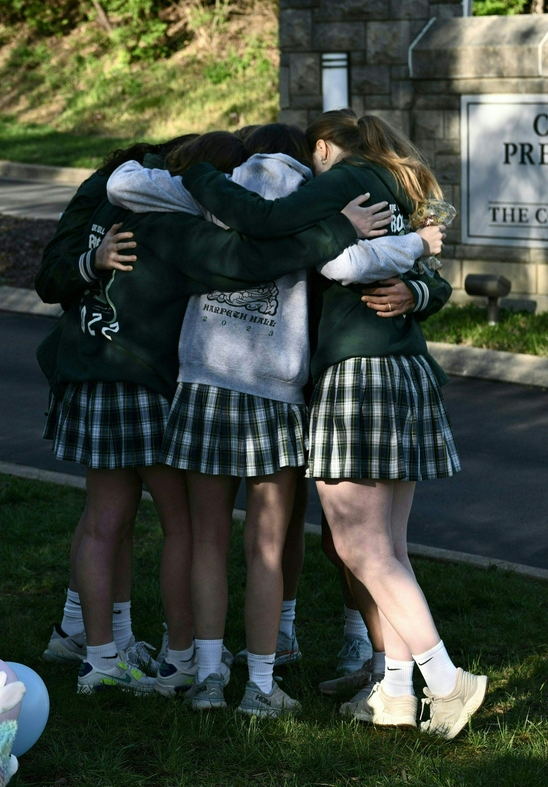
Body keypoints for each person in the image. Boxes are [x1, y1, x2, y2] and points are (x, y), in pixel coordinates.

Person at [104, 123, 444, 717]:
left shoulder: (215, 191)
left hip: (204, 382)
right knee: (264, 544)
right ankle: (261, 684)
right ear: (307, 158)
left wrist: (189, 171)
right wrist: (419, 247)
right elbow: (355, 262)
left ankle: (208, 674)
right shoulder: (317, 210)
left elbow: (124, 183)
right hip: (275, 394)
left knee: (208, 538)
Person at [38, 130, 391, 697]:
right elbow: (245, 258)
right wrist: (352, 232)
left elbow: (122, 192)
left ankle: (145, 661)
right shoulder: (231, 220)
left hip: (158, 382)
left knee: (135, 524)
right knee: (238, 539)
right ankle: (228, 671)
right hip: (203, 388)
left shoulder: (160, 204)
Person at [178, 109, 486, 738]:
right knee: (389, 549)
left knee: (360, 546)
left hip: (357, 376)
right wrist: (414, 271)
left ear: (322, 148)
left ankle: (447, 682)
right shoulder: (399, 185)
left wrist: (202, 175)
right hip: (405, 373)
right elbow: (427, 278)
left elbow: (276, 228)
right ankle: (397, 693)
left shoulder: (342, 180)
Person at [35, 137, 195, 675]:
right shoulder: (158, 196)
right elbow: (51, 275)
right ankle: (174, 655)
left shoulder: (113, 190)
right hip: (134, 374)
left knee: (108, 520)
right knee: (173, 521)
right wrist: (91, 261)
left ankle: (104, 650)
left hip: (96, 370)